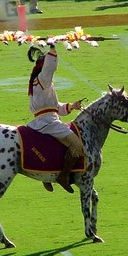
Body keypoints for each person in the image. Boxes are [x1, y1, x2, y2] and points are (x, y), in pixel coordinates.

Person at [27, 43, 84, 194]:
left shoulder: (39, 85)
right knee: (78, 146)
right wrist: (52, 49)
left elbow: (55, 107)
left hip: (45, 120)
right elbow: (50, 68)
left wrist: (72, 106)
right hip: (49, 123)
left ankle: (48, 175)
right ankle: (63, 177)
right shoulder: (42, 80)